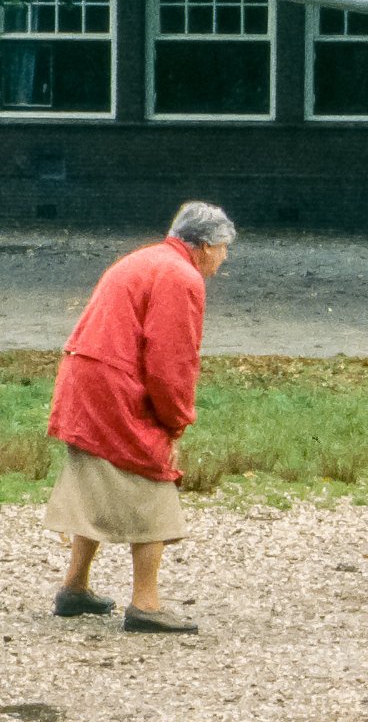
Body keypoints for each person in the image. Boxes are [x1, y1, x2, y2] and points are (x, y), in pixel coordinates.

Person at [43, 201, 235, 633]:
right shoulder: (182, 277)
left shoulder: (146, 259)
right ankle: (145, 604)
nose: (224, 260)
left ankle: (74, 587)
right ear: (206, 245)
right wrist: (174, 422)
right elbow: (171, 361)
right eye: (224, 249)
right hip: (116, 388)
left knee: (93, 482)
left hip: (86, 380)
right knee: (152, 481)